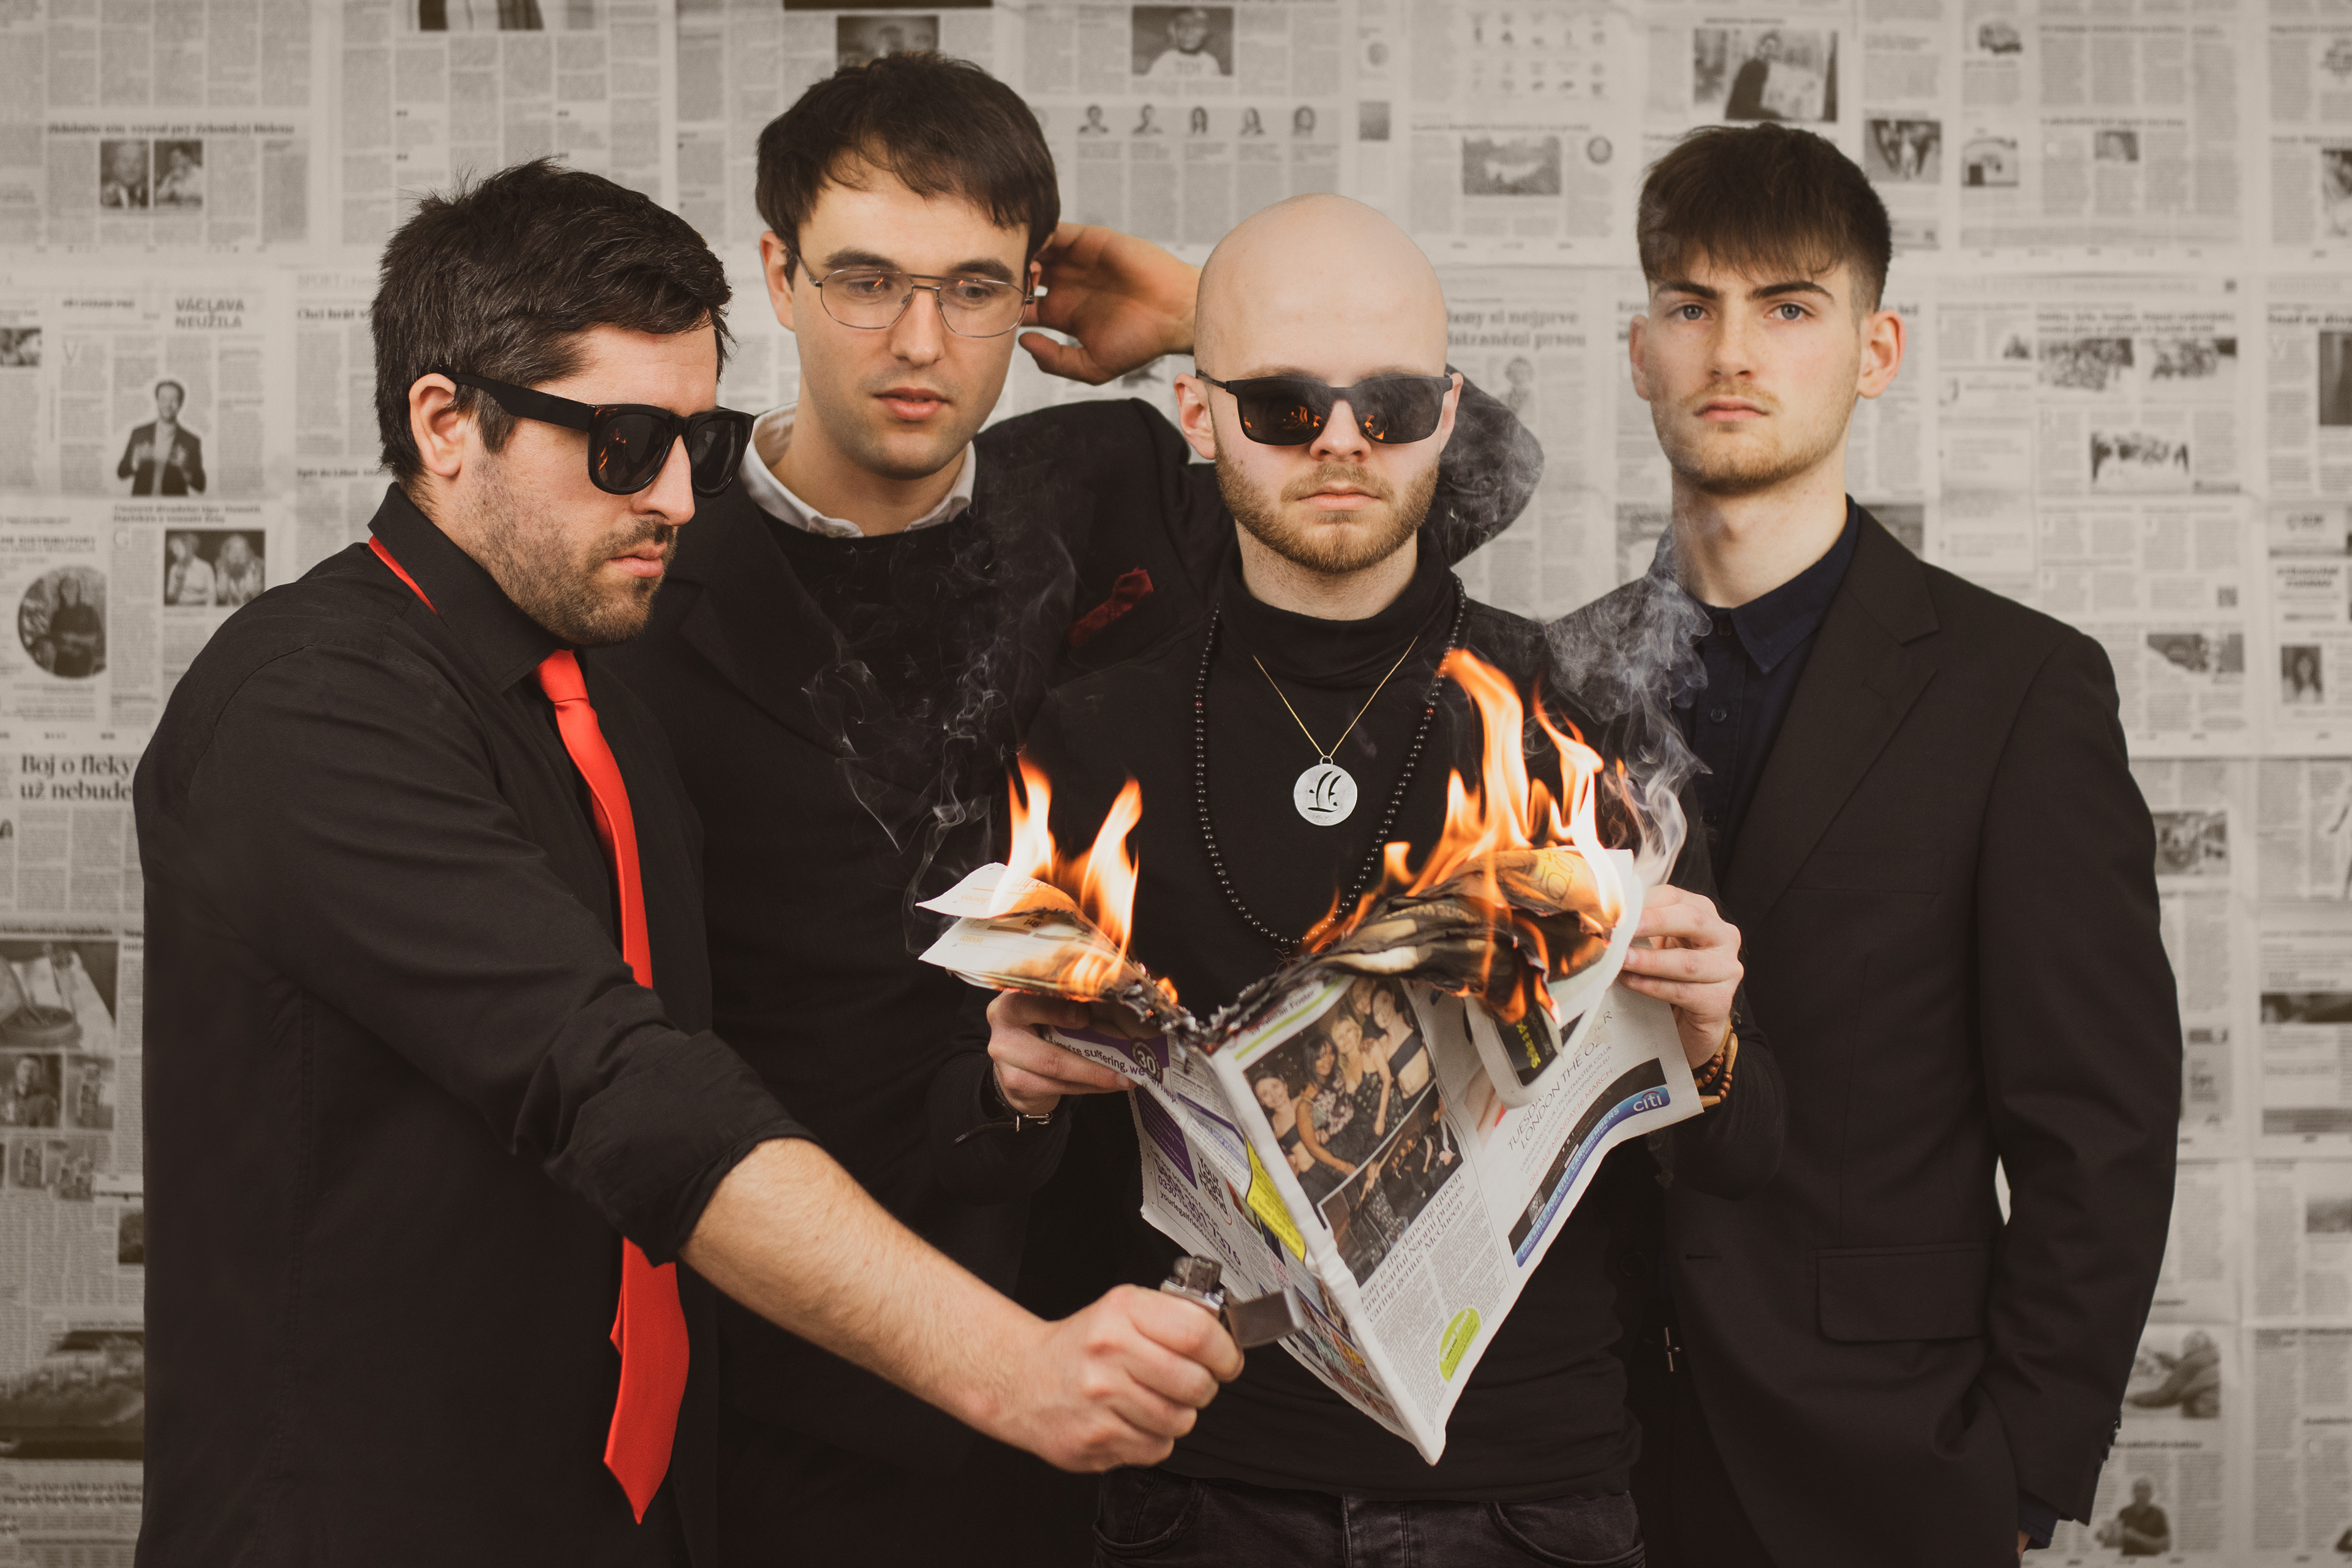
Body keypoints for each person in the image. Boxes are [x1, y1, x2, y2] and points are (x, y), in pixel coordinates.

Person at [131, 158, 1241, 1568]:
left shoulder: (603, 695)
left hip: (633, 1505)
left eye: (692, 443)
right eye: (621, 444)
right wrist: (1011, 1365)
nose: (671, 493)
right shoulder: (307, 705)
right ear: (446, 423)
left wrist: (995, 1075)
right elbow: (613, 1077)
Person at [600, 55, 1541, 1568]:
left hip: (1129, 1352)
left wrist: (1199, 316)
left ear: (1030, 291)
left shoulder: (1111, 481)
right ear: (776, 275)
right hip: (817, 1357)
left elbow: (1442, 480)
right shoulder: (653, 578)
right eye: (866, 281)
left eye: (976, 288)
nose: (921, 340)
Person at [966, 193, 1782, 1567]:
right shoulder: (1090, 736)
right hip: (1200, 1492)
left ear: (1447, 415)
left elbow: (1740, 1161)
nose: (1342, 441)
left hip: (1531, 1497)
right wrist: (1013, 1087)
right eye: (1284, 407)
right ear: (1198, 413)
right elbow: (1018, 1188)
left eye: (1390, 404)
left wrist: (1710, 1035)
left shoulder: (1579, 712)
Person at [1577, 123, 2178, 1566]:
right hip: (1574, 1451)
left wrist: (2021, 1467)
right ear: (1640, 350)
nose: (1733, 351)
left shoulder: (2018, 688)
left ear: (1875, 349)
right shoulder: (1543, 679)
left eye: (1788, 307)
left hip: (1888, 1454)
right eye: (1690, 305)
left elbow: (2096, 1123)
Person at [118, 380, 206, 496]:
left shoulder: (192, 441)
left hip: (174, 505)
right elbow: (121, 473)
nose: (168, 405)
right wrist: (136, 461)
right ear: (157, 401)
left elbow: (200, 486)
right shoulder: (139, 433)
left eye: (173, 400)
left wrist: (185, 468)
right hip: (141, 505)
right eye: (163, 399)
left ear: (181, 404)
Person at [1140, 7, 1222, 80]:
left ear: (1206, 33)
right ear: (1174, 32)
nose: (1189, 32)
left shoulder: (1210, 61)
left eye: (1196, 27)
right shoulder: (1166, 59)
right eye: (1183, 27)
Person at [47, 576, 102, 678]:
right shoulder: (57, 615)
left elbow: (94, 640)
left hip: (83, 665)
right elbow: (54, 641)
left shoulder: (89, 611)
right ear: (61, 591)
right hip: (61, 665)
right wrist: (68, 649)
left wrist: (73, 637)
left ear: (78, 589)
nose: (69, 589)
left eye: (72, 585)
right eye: (65, 586)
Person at [2102, 1479, 2170, 1556]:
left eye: (2144, 1490)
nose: (2140, 1494)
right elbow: (2117, 1542)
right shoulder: (2124, 1512)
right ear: (2133, 1493)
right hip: (2128, 1559)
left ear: (2151, 1493)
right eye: (2138, 1490)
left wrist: (2136, 1536)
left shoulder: (2158, 1514)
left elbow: (2165, 1545)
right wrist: (2105, 1536)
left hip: (2150, 1560)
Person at [1723, 32, 1780, 121]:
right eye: (1768, 47)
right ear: (1760, 47)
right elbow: (1743, 102)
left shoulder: (1770, 71)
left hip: (1756, 115)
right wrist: (1773, 114)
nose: (1770, 52)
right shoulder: (1749, 67)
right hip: (1739, 117)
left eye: (1774, 49)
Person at [0, 1056, 58, 1128]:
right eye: (25, 1067)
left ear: (40, 1074)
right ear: (17, 1070)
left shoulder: (46, 1102)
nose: (28, 1073)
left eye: (34, 1069)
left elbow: (46, 1133)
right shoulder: (3, 1098)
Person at [211, 533, 263, 605]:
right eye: (234, 551)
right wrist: (223, 572)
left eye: (242, 551)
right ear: (226, 554)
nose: (238, 555)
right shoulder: (220, 566)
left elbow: (254, 594)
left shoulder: (256, 567)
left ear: (248, 553)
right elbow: (222, 596)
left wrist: (250, 571)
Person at [164, 533, 214, 607]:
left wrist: (190, 599)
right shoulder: (174, 568)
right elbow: (170, 597)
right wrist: (179, 584)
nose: (174, 553)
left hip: (201, 610)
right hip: (180, 610)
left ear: (189, 548)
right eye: (173, 550)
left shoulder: (206, 567)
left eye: (178, 548)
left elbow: (212, 596)